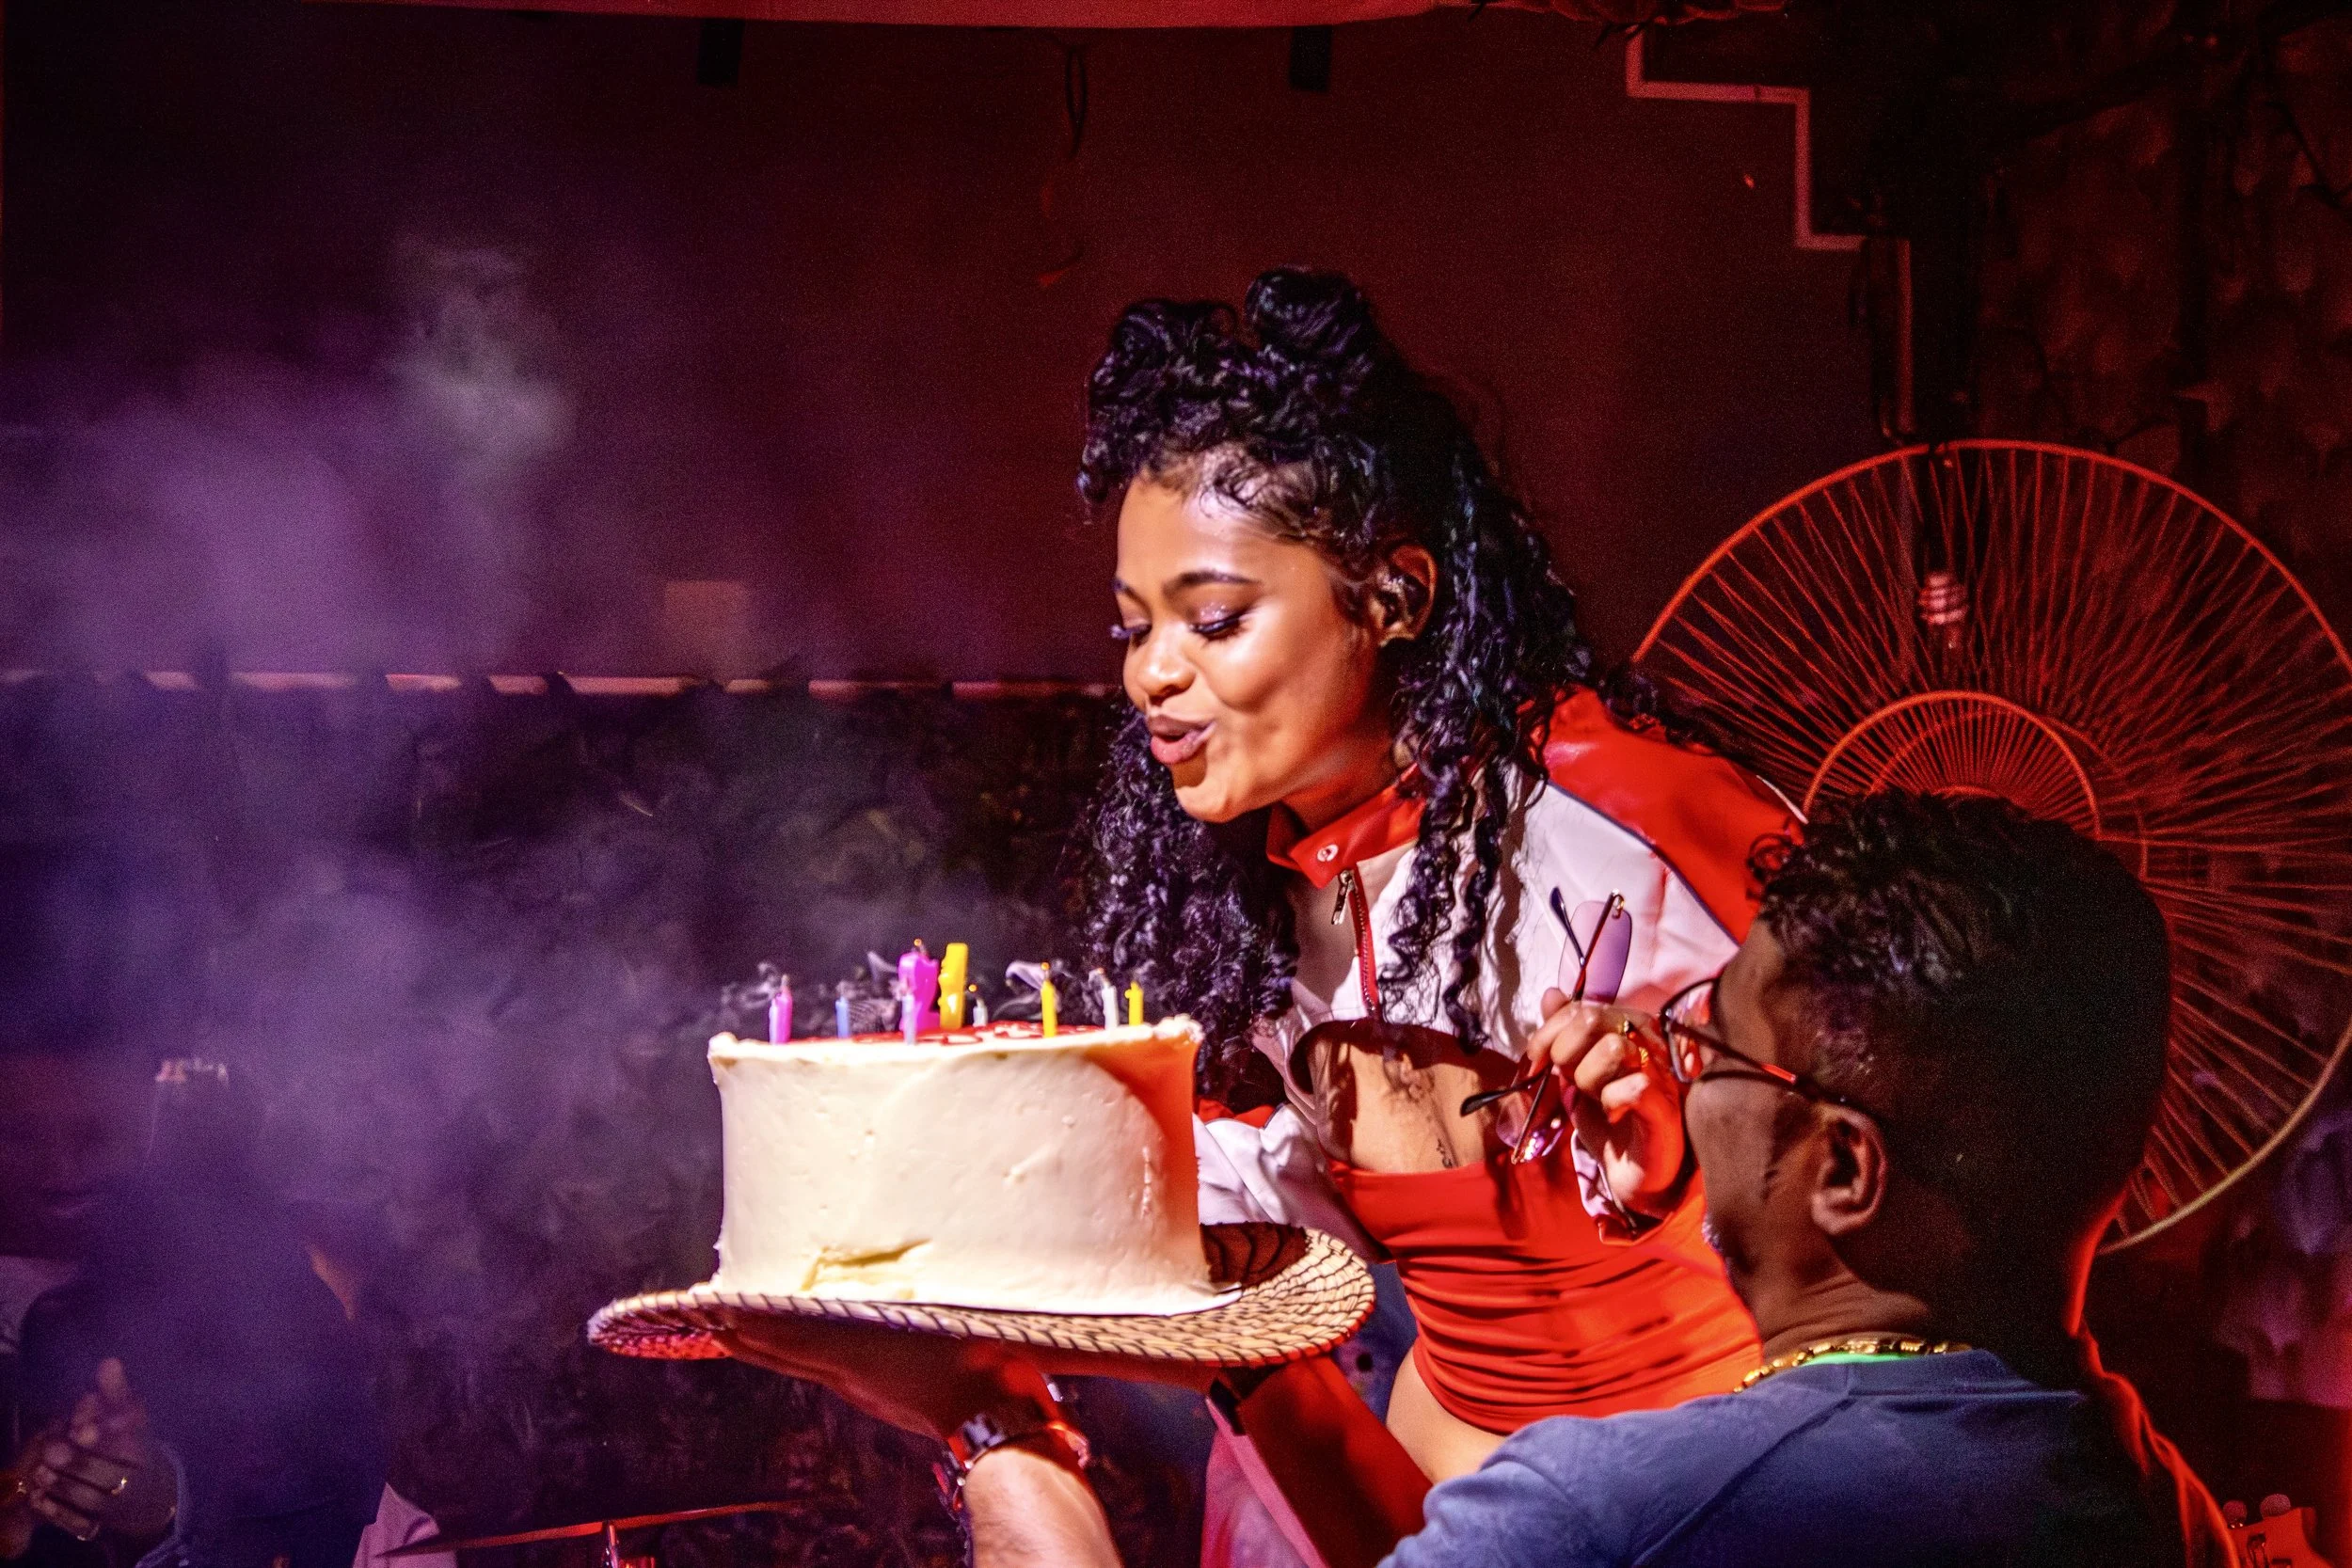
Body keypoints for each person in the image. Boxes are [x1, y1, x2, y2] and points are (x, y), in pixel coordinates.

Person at [722, 791, 2235, 1568]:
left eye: (1711, 1046)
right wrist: (1260, 1364)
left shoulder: (1629, 1513)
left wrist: (991, 1424)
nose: (1668, 1069)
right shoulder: (2147, 1498)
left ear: (1843, 1166)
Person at [1073, 268, 1788, 1505]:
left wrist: (1673, 1149)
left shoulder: (1625, 815)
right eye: (1136, 627)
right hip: (1438, 1505)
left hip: (1721, 1498)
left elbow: (1916, 1139)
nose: (1153, 675)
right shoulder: (1241, 904)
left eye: (1215, 618)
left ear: (1394, 597)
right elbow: (1274, 1207)